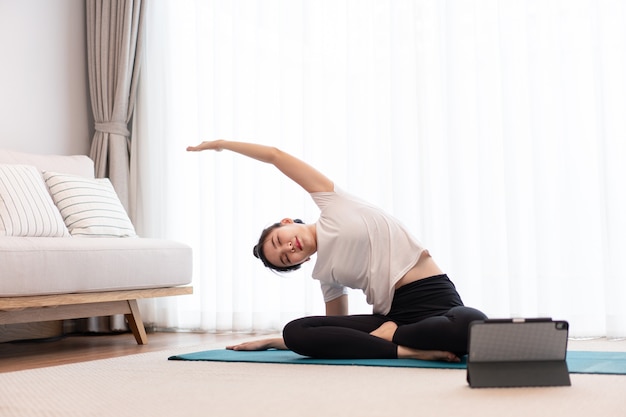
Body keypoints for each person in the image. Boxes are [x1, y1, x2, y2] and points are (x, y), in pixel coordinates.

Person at [187, 140, 487, 362]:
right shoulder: (326, 275)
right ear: (300, 263)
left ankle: (395, 338)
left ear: (288, 222)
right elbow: (335, 331)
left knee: (473, 327)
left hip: (435, 301)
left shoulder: (332, 202)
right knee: (296, 331)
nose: (289, 248)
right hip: (391, 316)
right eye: (286, 258)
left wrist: (222, 145)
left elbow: (276, 156)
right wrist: (275, 342)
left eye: (281, 240)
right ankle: (409, 349)